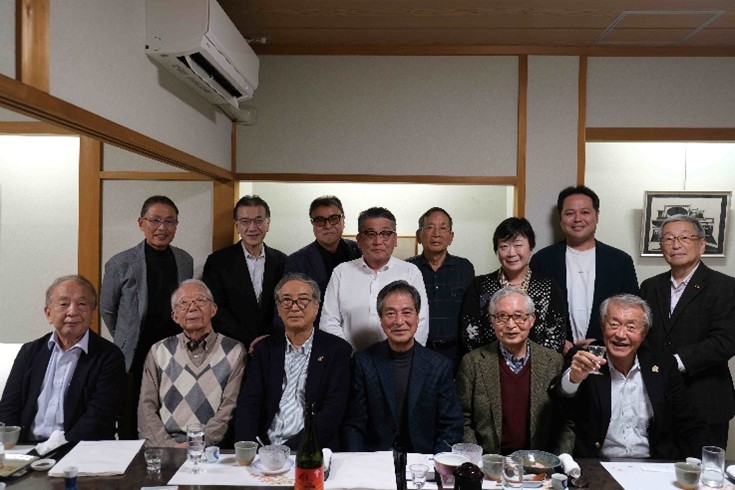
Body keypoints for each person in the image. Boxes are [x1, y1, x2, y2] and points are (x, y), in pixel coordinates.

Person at [555, 294, 712, 459]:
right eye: (614, 325)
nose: (620, 334)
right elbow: (559, 399)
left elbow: (690, 422)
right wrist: (574, 378)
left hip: (653, 464)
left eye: (631, 327)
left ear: (644, 333)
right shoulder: (585, 359)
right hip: (599, 464)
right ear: (602, 327)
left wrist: (709, 463)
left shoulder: (663, 365)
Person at [100, 195, 193, 438]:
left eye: (170, 221)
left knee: (172, 409)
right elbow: (107, 309)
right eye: (155, 220)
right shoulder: (120, 263)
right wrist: (125, 336)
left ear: (176, 225)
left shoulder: (184, 260)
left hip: (174, 350)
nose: (162, 228)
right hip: (137, 350)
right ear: (141, 223)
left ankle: (170, 452)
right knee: (134, 414)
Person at [640, 214, 735, 449]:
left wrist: (674, 363)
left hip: (705, 401)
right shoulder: (650, 286)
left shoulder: (726, 286)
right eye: (668, 238)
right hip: (658, 400)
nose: (676, 245)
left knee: (703, 469)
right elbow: (642, 335)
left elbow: (725, 341)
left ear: (701, 244)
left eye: (684, 237)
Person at [0, 275, 125, 443]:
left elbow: (99, 418)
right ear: (48, 313)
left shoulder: (109, 356)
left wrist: (55, 448)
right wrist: (11, 446)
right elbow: (8, 408)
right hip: (26, 448)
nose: (72, 312)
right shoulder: (29, 352)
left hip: (79, 448)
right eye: (64, 304)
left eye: (82, 304)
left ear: (93, 313)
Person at [234, 273, 352, 450]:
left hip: (312, 449)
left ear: (316, 306)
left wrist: (289, 450)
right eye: (286, 300)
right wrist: (249, 447)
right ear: (278, 308)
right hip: (264, 448)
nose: (294, 307)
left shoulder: (337, 350)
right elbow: (249, 403)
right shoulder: (265, 350)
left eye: (303, 300)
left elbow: (332, 413)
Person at [341, 281, 462, 453]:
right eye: (390, 313)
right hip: (375, 457)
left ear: (417, 317)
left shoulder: (440, 366)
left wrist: (436, 462)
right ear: (381, 319)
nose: (399, 321)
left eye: (407, 312)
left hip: (423, 458)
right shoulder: (364, 362)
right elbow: (354, 423)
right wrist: (357, 461)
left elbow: (451, 426)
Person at [457, 287, 574, 455]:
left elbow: (565, 419)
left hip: (539, 462)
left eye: (518, 316)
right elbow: (463, 419)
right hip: (489, 462)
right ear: (492, 320)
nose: (511, 325)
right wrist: (476, 460)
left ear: (532, 320)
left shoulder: (553, 362)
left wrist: (558, 460)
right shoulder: (472, 363)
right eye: (502, 317)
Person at [138, 280, 246, 447]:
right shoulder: (158, 351)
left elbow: (228, 410)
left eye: (200, 300)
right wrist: (170, 448)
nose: (192, 307)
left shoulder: (235, 351)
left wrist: (196, 444)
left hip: (211, 449)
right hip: (165, 447)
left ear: (213, 309)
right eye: (184, 303)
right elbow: (146, 410)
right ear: (175, 316)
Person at [530, 186, 639, 350]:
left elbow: (633, 313)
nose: (577, 219)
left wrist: (601, 343)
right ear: (560, 218)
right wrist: (556, 342)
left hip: (606, 354)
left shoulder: (620, 261)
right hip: (555, 355)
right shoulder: (542, 260)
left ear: (597, 216)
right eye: (569, 213)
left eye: (585, 212)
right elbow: (531, 312)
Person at [320, 207, 429, 351]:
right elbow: (328, 322)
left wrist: (405, 357)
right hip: (348, 359)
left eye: (385, 234)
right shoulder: (341, 272)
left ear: (395, 239)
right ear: (359, 240)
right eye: (370, 234)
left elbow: (420, 322)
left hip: (399, 360)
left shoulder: (410, 272)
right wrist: (349, 356)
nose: (378, 241)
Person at [459, 217, 567, 356]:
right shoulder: (480, 286)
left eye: (518, 245)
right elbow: (470, 335)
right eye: (504, 246)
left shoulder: (547, 285)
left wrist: (534, 363)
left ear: (531, 247)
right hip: (488, 364)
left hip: (539, 365)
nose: (511, 253)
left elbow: (556, 337)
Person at [203, 195, 286, 351]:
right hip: (230, 346)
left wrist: (267, 339)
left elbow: (284, 305)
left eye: (259, 221)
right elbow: (215, 308)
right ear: (236, 225)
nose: (252, 228)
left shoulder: (282, 261)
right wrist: (250, 340)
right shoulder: (217, 262)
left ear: (268, 224)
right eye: (245, 222)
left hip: (273, 344)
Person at [406, 207, 475, 365]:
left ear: (451, 237)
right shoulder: (408, 268)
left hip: (456, 353)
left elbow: (471, 311)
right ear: (419, 235)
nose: (436, 234)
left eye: (443, 228)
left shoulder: (465, 268)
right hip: (418, 351)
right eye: (430, 227)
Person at [283, 196, 361, 326]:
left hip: (358, 328)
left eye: (334, 219)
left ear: (343, 219)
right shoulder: (297, 262)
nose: (328, 226)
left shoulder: (359, 251)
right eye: (320, 221)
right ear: (313, 224)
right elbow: (289, 305)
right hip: (318, 331)